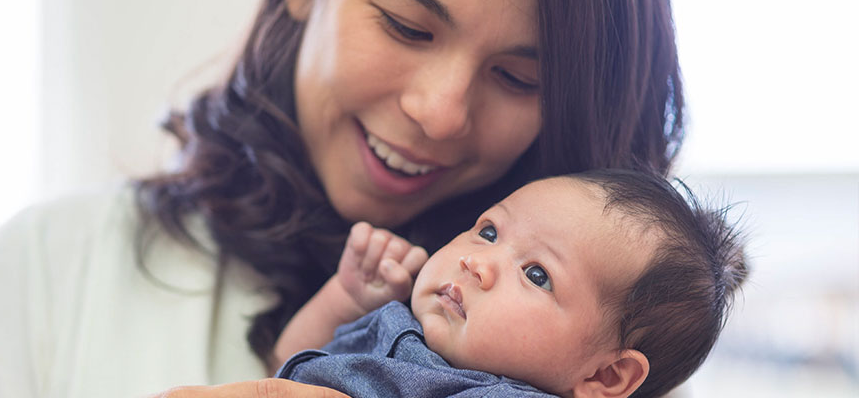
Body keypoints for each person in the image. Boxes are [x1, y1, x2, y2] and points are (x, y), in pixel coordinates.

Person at [0, 0, 686, 397]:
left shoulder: (605, 341)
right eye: (406, 25)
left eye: (519, 78)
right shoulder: (50, 265)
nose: (439, 111)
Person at [270, 170, 749, 398]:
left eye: (536, 275)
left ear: (605, 376)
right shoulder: (398, 317)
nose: (479, 264)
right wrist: (346, 297)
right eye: (489, 232)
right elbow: (283, 364)